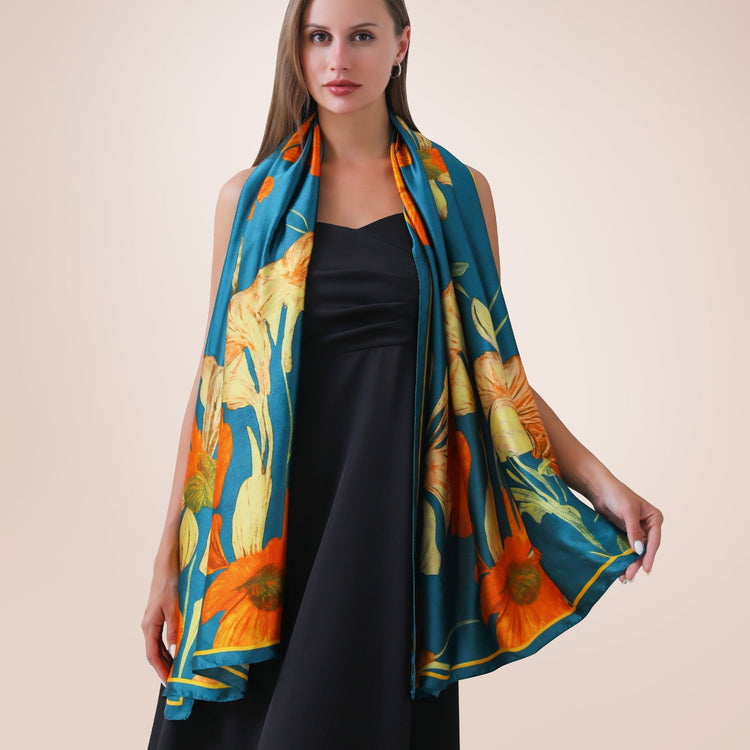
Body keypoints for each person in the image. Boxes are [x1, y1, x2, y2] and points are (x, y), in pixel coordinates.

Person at [142, 0, 664, 747]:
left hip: (389, 521)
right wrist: (168, 558)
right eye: (319, 37)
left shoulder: (457, 194)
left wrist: (602, 485)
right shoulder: (247, 201)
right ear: (297, 50)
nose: (338, 59)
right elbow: (216, 394)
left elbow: (490, 378)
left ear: (401, 46)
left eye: (362, 36)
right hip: (265, 531)